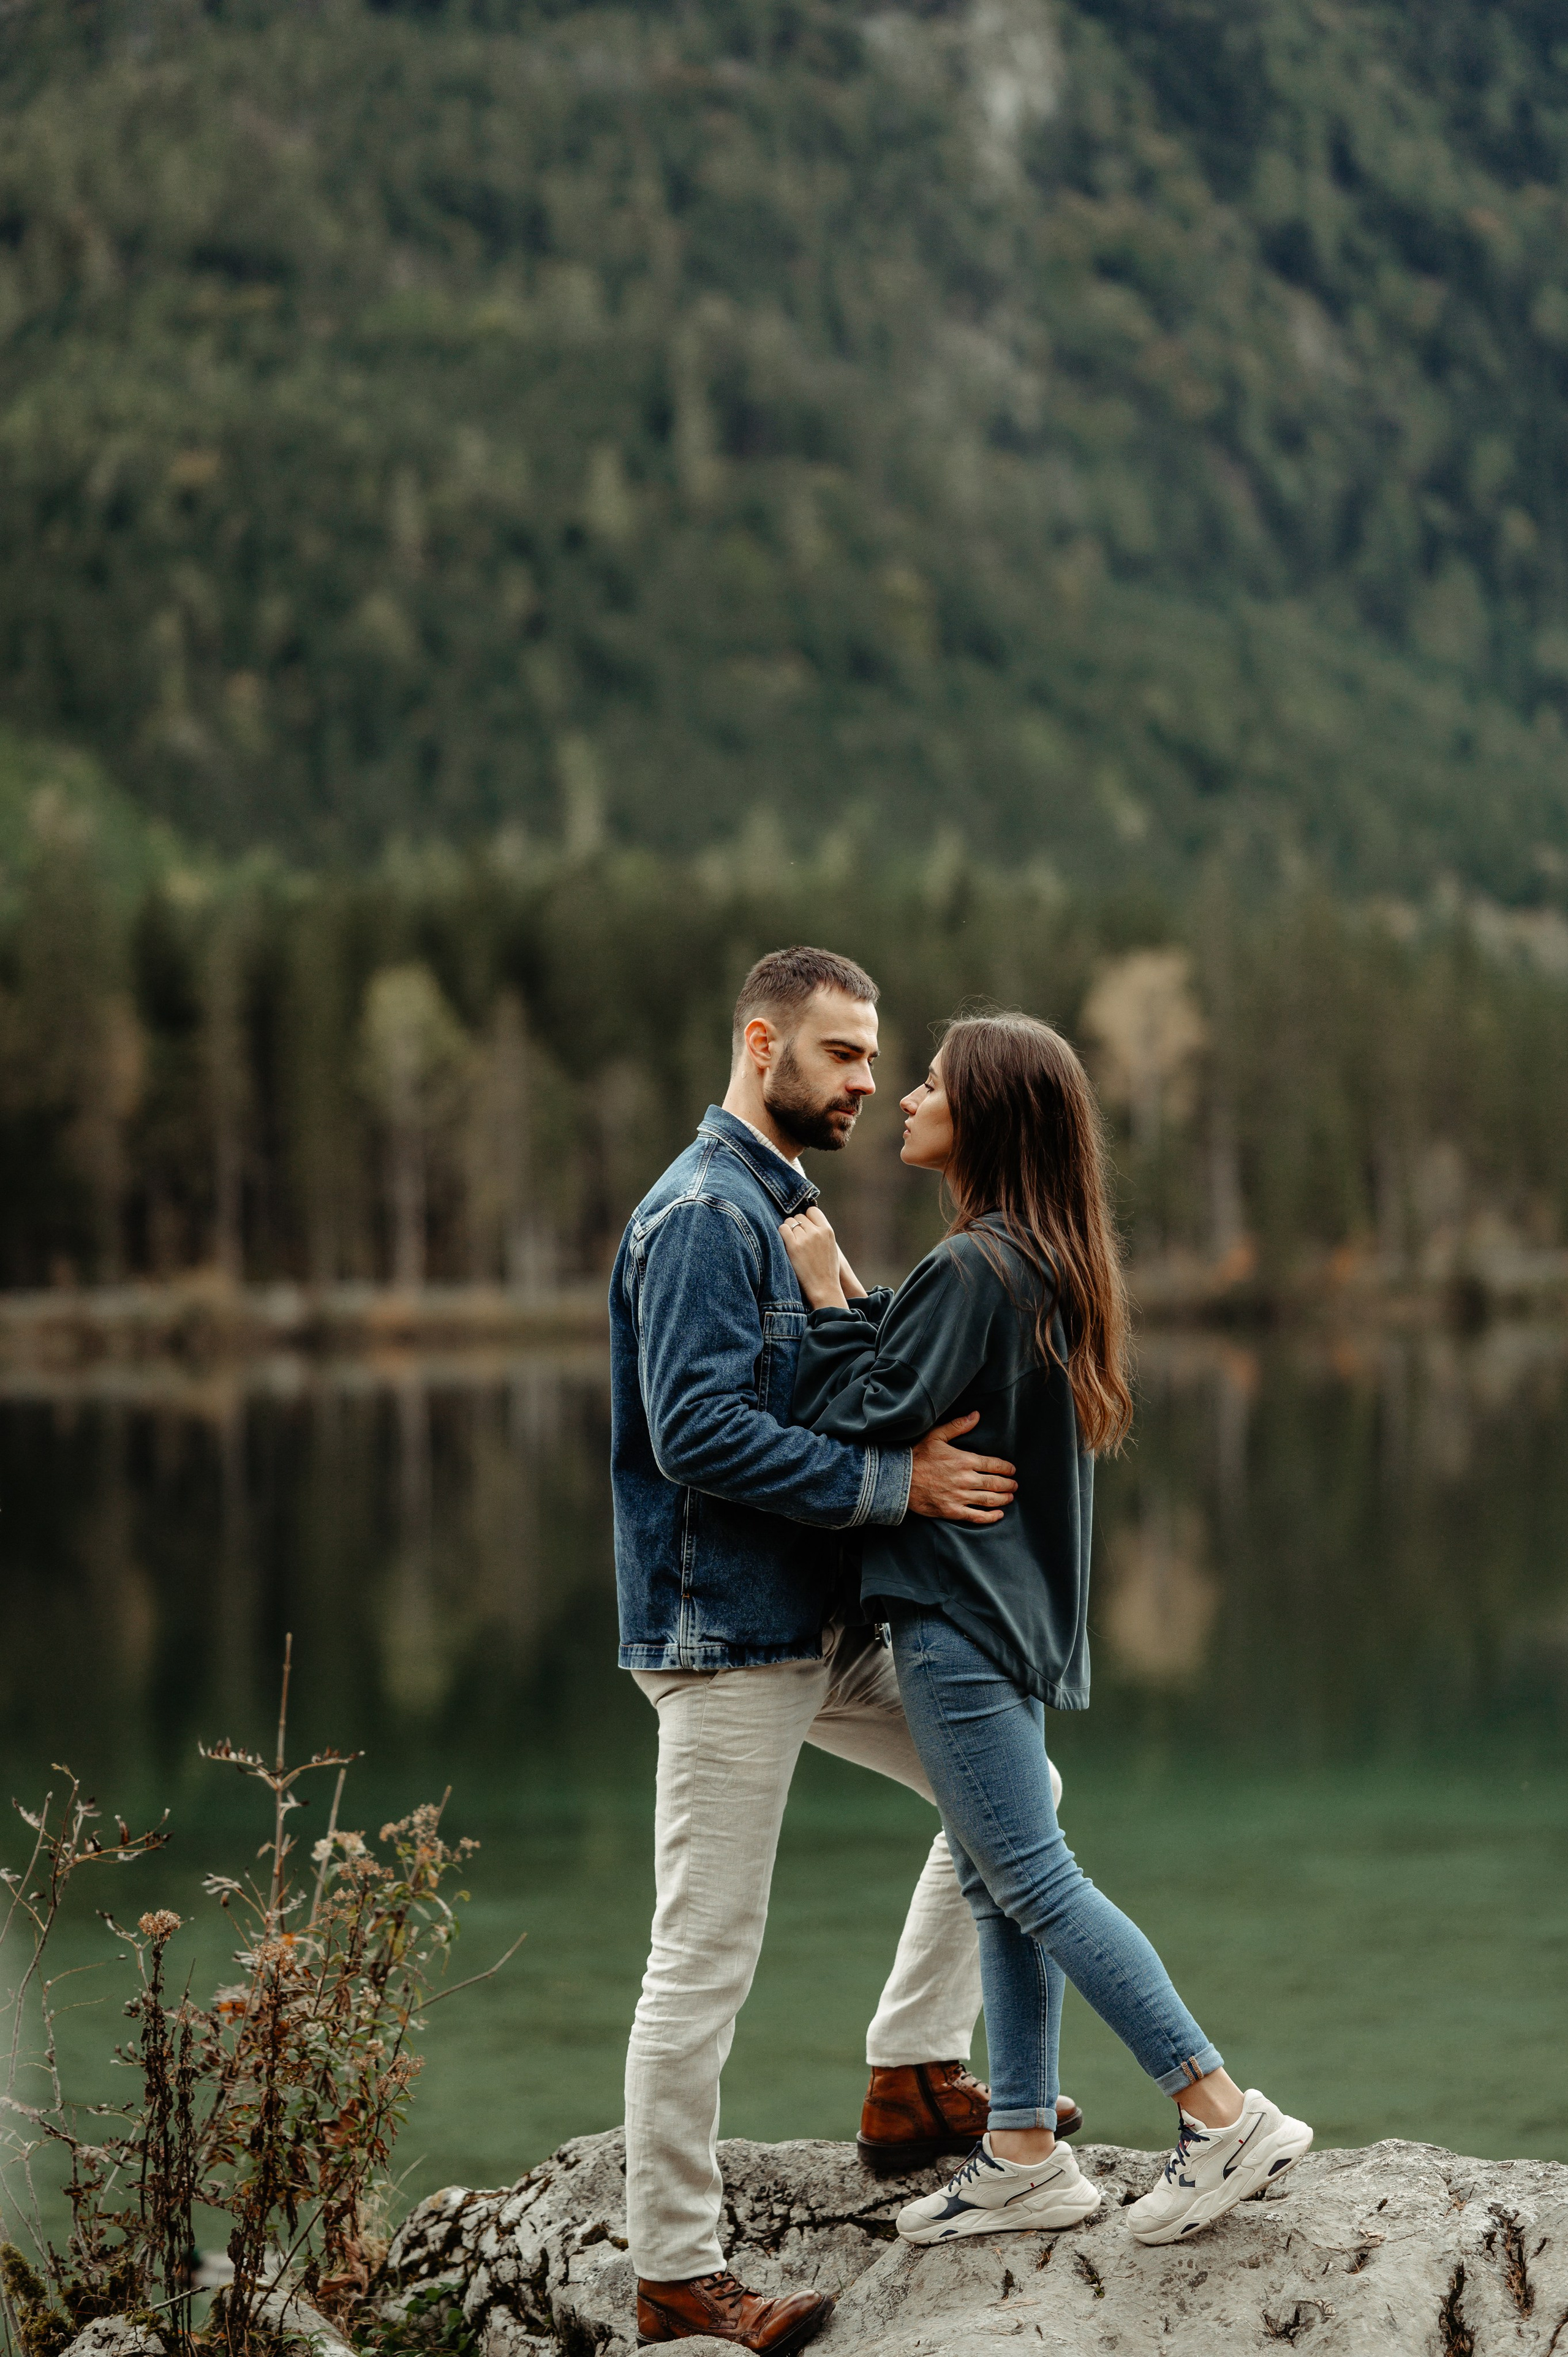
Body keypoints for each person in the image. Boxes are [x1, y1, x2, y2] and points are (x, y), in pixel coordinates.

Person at [610, 949, 1081, 2356]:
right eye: (842, 1055)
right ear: (761, 1045)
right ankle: (674, 2274)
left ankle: (907, 2076)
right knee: (701, 1958)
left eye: (877, 1057)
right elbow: (693, 1430)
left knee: (1017, 1805)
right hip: (731, 1634)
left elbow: (856, 1362)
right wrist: (899, 1489)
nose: (868, 1082)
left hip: (819, 1624)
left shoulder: (781, 1200)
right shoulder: (702, 1212)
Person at [782, 1012, 1313, 2252]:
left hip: (954, 1619)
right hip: (1005, 1615)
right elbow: (911, 1386)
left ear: (988, 1115)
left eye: (930, 1082)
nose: (904, 1095)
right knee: (993, 1883)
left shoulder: (974, 1265)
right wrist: (863, 1302)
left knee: (1030, 1879)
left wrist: (820, 1295)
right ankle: (1019, 2148)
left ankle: (1217, 2110)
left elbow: (866, 1410)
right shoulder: (1031, 1261)